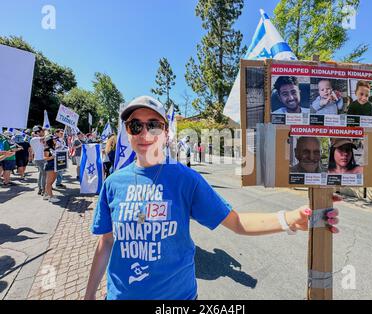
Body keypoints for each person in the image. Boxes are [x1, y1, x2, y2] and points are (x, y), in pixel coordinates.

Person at [84, 95, 340, 300]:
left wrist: (290, 219)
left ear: (165, 132)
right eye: (135, 125)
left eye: (153, 124)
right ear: (127, 132)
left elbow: (237, 223)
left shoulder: (185, 179)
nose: (144, 133)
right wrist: (89, 294)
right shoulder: (113, 183)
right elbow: (106, 242)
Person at [43, 134, 60, 203]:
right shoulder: (47, 148)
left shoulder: (53, 148)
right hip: (50, 166)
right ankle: (50, 197)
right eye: (54, 139)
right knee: (49, 182)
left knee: (52, 180)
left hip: (55, 166)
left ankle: (46, 194)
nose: (55, 140)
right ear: (50, 141)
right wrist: (52, 157)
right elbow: (45, 158)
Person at [30, 125, 47, 195]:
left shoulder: (33, 139)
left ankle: (40, 189)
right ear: (39, 132)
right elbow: (46, 138)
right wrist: (46, 132)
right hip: (40, 159)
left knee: (41, 174)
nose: (43, 132)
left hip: (39, 158)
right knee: (44, 175)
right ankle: (43, 190)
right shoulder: (36, 139)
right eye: (42, 131)